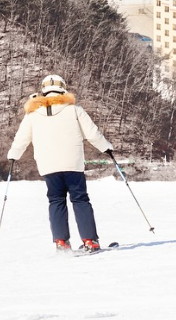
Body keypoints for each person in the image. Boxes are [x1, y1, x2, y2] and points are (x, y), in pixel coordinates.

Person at [7, 73, 114, 253]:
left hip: (48, 165)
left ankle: (61, 243)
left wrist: (13, 156)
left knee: (56, 200)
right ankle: (90, 240)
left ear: (43, 90)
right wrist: (107, 149)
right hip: (73, 163)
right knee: (80, 199)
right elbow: (92, 133)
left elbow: (21, 139)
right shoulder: (74, 109)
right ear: (63, 88)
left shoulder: (32, 114)